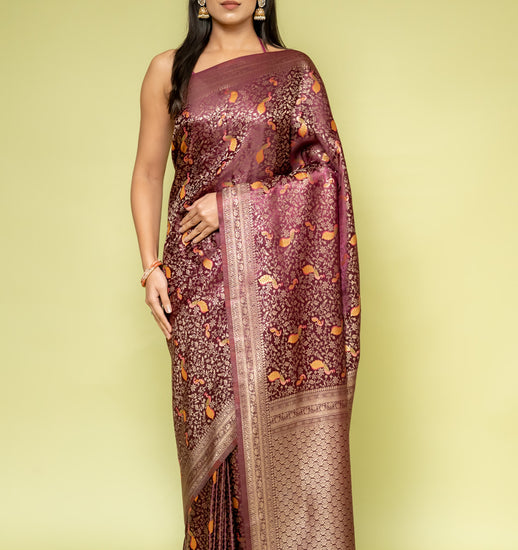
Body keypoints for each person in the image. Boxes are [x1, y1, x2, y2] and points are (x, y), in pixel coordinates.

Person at [130, 1, 361, 548]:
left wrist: (232, 205)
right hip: (195, 283)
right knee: (208, 436)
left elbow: (326, 176)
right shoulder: (168, 69)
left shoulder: (294, 70)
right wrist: (150, 267)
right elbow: (147, 172)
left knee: (264, 427)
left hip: (275, 289)